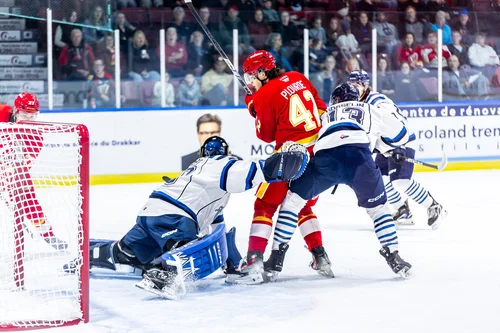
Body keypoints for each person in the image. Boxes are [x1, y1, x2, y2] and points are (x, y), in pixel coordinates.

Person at [80, 136, 309, 299]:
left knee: (126, 252)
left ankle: (88, 255)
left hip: (150, 212)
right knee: (181, 252)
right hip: (176, 218)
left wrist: (233, 265)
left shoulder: (197, 173)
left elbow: (219, 229)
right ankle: (162, 275)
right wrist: (284, 164)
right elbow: (255, 172)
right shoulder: (219, 164)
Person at [277, 83, 413, 278]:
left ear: (336, 100)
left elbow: (311, 139)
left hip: (326, 160)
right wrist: (385, 147)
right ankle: (393, 255)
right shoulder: (369, 108)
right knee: (379, 209)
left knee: (292, 202)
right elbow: (401, 134)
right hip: (359, 158)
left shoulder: (325, 114)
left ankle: (276, 256)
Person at [235, 50, 333, 285]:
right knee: (302, 206)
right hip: (318, 156)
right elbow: (321, 109)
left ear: (262, 72)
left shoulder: (264, 94)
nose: (249, 81)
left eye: (251, 76)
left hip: (290, 158)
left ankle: (254, 259)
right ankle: (320, 256)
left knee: (265, 204)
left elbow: (266, 135)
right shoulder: (298, 77)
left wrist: (253, 106)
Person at [348, 70, 447, 229]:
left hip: (401, 142)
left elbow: (396, 123)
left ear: (366, 86)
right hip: (385, 147)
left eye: (357, 84)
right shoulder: (358, 104)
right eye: (351, 84)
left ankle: (433, 206)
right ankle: (403, 211)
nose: (353, 87)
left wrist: (399, 147)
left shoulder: (377, 101)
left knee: (401, 182)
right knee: (378, 180)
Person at [0, 93, 67, 250]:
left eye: (33, 115)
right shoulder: (2, 112)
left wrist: (5, 177)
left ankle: (47, 233)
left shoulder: (35, 135)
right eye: (24, 114)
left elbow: (21, 167)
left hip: (10, 167)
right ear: (15, 111)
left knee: (28, 197)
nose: (29, 120)